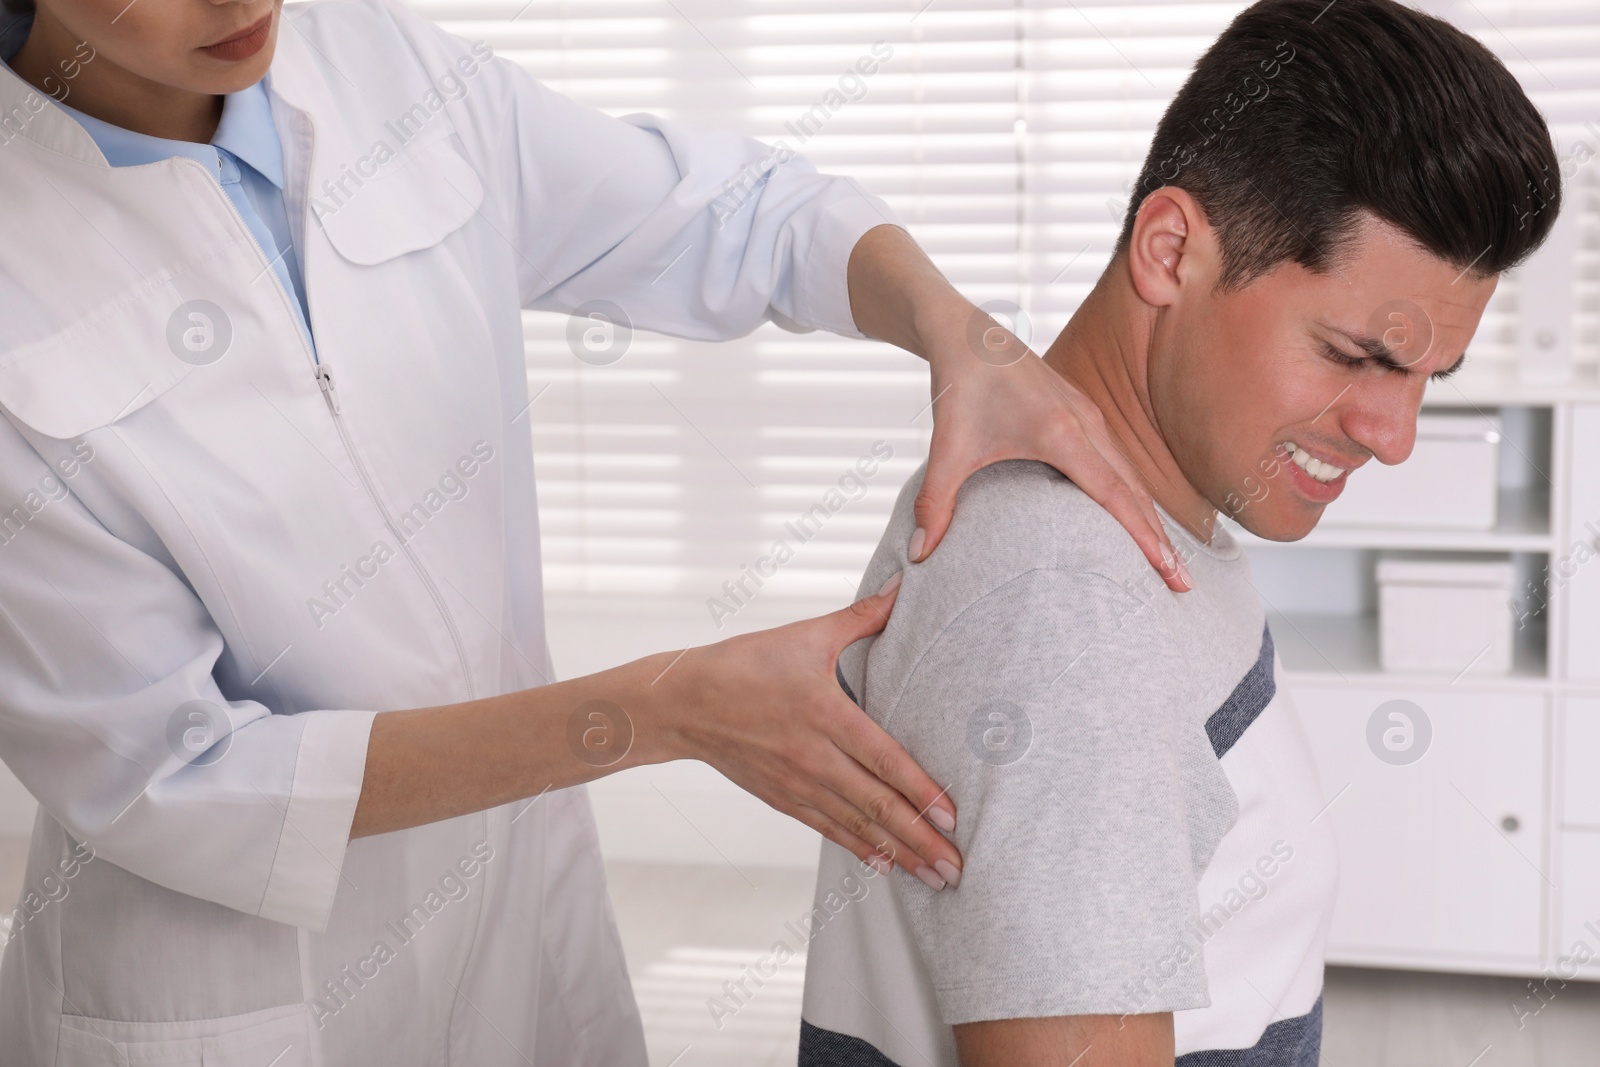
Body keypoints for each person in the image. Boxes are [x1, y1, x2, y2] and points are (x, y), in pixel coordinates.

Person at [0, 0, 1192, 1063]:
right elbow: (175, 775)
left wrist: (954, 331)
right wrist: (656, 711)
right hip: (232, 994)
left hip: (518, 928)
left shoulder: (378, 69)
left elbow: (739, 216)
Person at [797, 1, 1561, 1064]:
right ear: (1170, 251)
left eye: (1429, 378)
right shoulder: (1068, 608)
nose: (1394, 435)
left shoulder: (1143, 520)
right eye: (1354, 352)